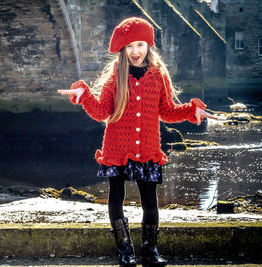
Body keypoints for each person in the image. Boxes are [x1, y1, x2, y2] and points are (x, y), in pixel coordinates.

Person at [58, 17, 217, 266]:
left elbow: (167, 110)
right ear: (123, 49)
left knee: (150, 200)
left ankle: (150, 250)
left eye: (140, 45)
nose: (135, 51)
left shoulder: (158, 75)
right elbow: (101, 112)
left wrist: (190, 111)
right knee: (116, 196)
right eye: (130, 46)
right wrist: (85, 95)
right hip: (117, 147)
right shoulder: (116, 75)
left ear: (148, 46)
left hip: (149, 147)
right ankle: (124, 250)